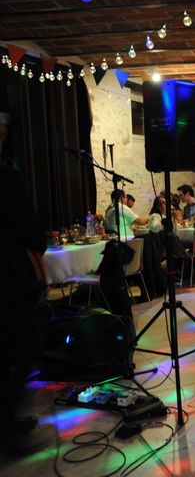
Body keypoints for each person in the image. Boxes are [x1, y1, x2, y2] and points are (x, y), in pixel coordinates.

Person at [0, 163, 47, 455]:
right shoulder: (6, 176)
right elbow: (30, 228)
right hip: (7, 280)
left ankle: (8, 422)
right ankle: (7, 431)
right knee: (23, 347)